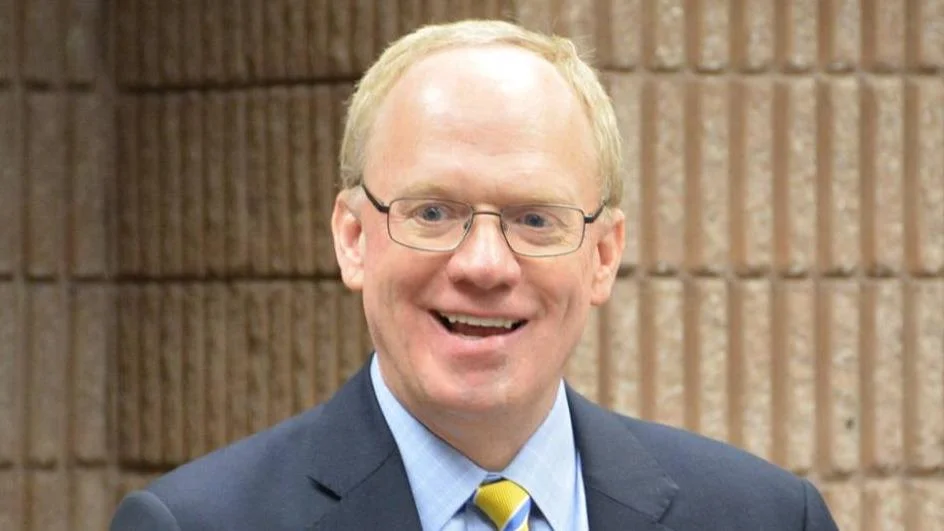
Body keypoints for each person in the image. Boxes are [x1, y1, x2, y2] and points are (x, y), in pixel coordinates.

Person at [110, 19, 838, 531]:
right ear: (354, 238)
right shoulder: (197, 523)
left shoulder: (766, 517)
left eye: (534, 219)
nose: (484, 265)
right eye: (432, 211)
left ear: (605, 255)